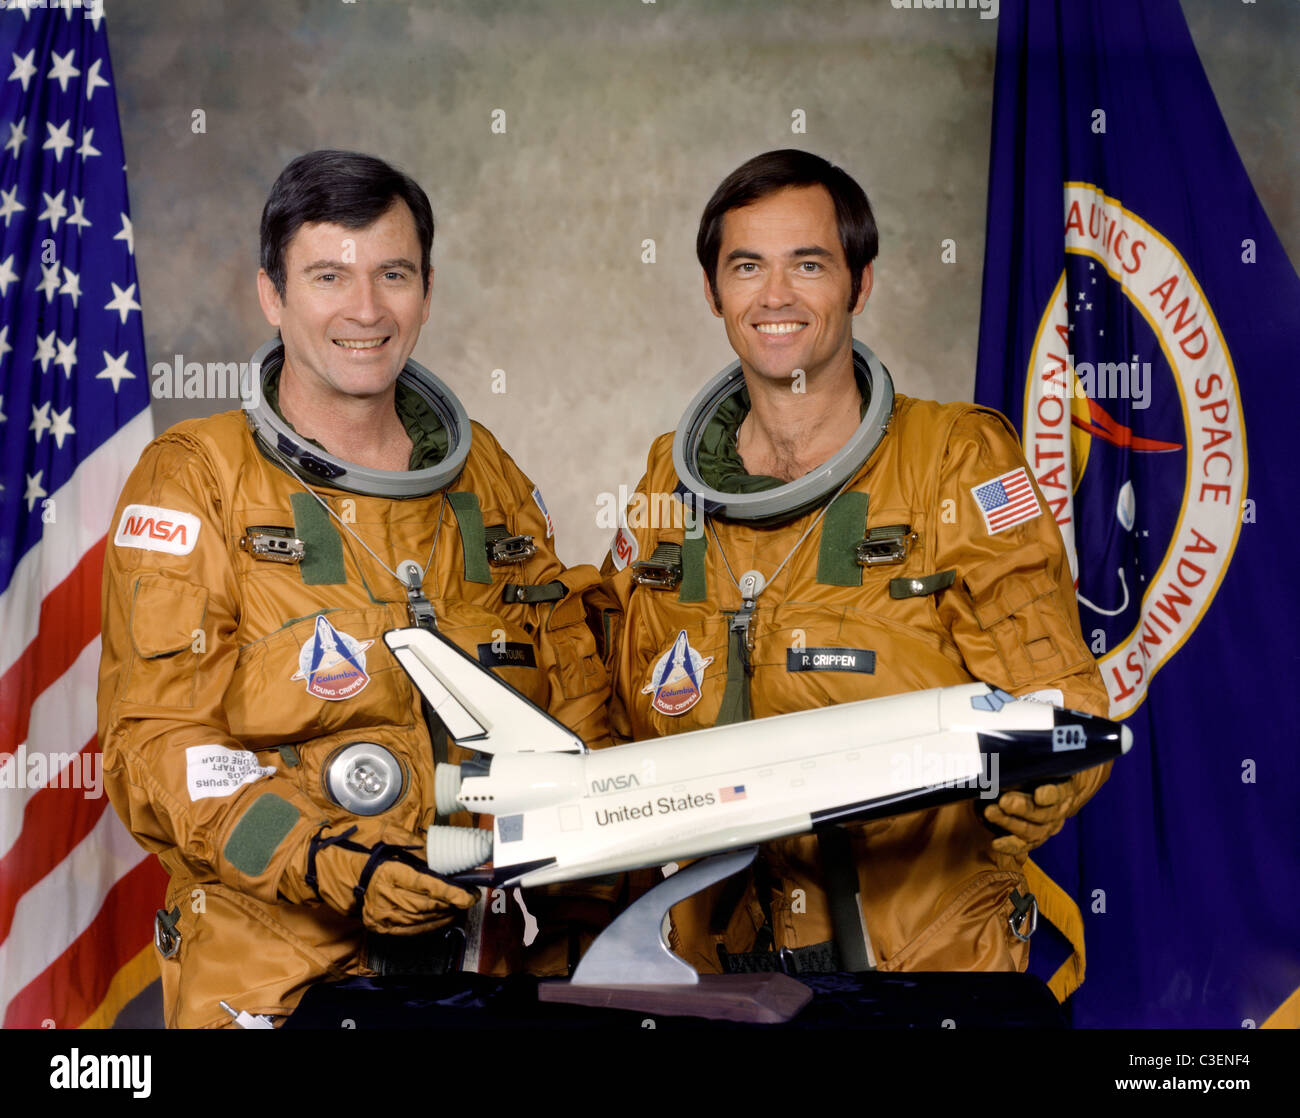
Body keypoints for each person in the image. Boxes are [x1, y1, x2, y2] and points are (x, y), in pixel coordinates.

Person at [97, 150, 610, 1028]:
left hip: (496, 968)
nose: (366, 310)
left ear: (427, 288)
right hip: (281, 986)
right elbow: (160, 753)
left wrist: (598, 882)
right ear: (272, 295)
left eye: (393, 275)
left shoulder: (485, 476)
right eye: (329, 275)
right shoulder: (197, 479)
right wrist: (331, 862)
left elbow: (576, 699)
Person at [594, 149, 1111, 989]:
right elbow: (608, 699)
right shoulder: (669, 481)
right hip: (709, 969)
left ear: (859, 284)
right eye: (747, 266)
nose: (776, 296)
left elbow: (1064, 691)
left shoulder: (953, 461)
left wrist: (1051, 771)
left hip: (924, 965)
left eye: (809, 264)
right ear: (712, 291)